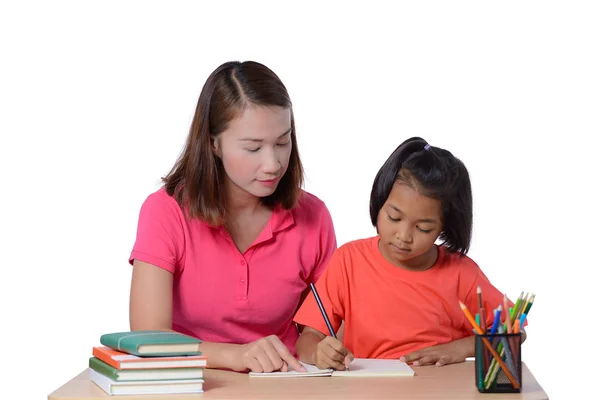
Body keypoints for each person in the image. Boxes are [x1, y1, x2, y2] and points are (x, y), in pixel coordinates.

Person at [128, 61, 337, 373]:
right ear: (213, 143)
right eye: (253, 148)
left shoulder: (314, 216)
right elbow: (146, 338)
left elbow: (323, 327)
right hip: (192, 384)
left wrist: (328, 349)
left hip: (285, 386)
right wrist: (235, 356)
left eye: (283, 142)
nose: (273, 164)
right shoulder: (166, 212)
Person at [294, 137, 525, 370]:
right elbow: (307, 340)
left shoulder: (461, 273)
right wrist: (318, 353)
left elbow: (514, 333)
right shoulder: (349, 260)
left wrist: (460, 349)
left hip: (440, 388)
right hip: (368, 388)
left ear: (445, 226)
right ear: (379, 202)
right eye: (394, 218)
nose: (404, 236)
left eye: (423, 228)